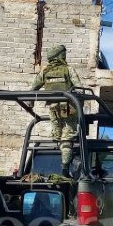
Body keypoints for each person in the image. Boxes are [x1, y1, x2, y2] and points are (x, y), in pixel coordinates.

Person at [31, 44, 84, 175]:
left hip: (53, 109)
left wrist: (30, 100)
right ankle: (65, 167)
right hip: (68, 108)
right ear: (61, 55)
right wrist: (80, 103)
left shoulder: (45, 71)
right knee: (67, 138)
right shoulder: (68, 69)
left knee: (57, 135)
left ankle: (60, 154)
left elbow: (33, 87)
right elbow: (80, 88)